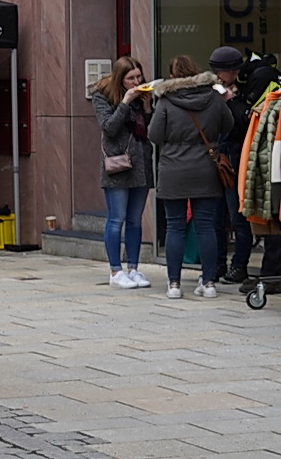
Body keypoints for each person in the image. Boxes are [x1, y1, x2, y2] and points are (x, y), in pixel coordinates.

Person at [148, 54, 232, 299]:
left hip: (173, 168)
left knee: (175, 226)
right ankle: (208, 283)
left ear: (172, 76)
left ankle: (174, 284)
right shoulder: (214, 98)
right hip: (205, 167)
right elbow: (227, 125)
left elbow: (154, 135)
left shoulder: (165, 101)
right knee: (206, 226)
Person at [209, 46, 278, 286]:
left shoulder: (260, 77)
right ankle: (224, 265)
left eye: (219, 72)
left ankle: (244, 267)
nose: (217, 77)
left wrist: (231, 99)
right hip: (230, 153)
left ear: (231, 70)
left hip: (249, 155)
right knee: (220, 216)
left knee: (243, 215)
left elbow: (249, 118)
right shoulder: (244, 79)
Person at [90, 56, 154, 289]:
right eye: (130, 78)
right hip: (117, 165)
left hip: (141, 164)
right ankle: (115, 270)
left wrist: (147, 107)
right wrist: (126, 101)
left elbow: (152, 130)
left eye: (138, 76)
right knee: (116, 219)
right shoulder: (102, 95)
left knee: (135, 220)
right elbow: (109, 127)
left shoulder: (143, 96)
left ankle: (134, 268)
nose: (136, 82)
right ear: (120, 79)